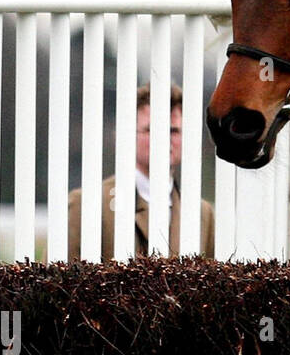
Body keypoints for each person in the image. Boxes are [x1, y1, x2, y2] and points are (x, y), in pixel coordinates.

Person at [67, 83, 214, 261]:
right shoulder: (86, 204)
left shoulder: (202, 214)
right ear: (126, 135)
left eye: (173, 131)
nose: (163, 138)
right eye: (151, 129)